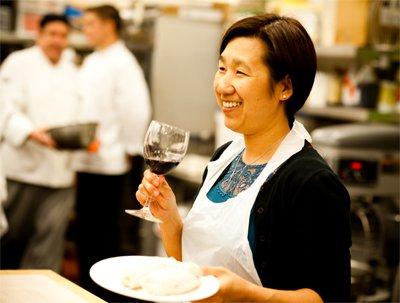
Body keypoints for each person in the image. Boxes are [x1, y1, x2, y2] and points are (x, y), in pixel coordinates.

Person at [136, 14, 351, 303]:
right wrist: (169, 218)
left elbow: (328, 297)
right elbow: (192, 268)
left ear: (285, 87)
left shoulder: (311, 182)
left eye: (241, 73)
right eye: (222, 68)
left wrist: (246, 295)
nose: (224, 85)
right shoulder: (225, 157)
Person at [73, 4, 151, 291]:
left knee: (106, 236)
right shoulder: (93, 60)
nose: (86, 29)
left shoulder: (123, 62)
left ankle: (102, 293)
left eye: (91, 23)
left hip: (111, 163)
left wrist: (126, 150)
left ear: (109, 25)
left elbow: (136, 111)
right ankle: (82, 290)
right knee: (85, 232)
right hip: (85, 159)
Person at [0, 14, 79, 272]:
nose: (58, 40)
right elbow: (5, 107)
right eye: (52, 34)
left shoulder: (72, 69)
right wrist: (30, 132)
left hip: (61, 173)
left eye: (63, 35)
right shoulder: (18, 63)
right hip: (24, 170)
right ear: (39, 35)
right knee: (10, 242)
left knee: (49, 246)